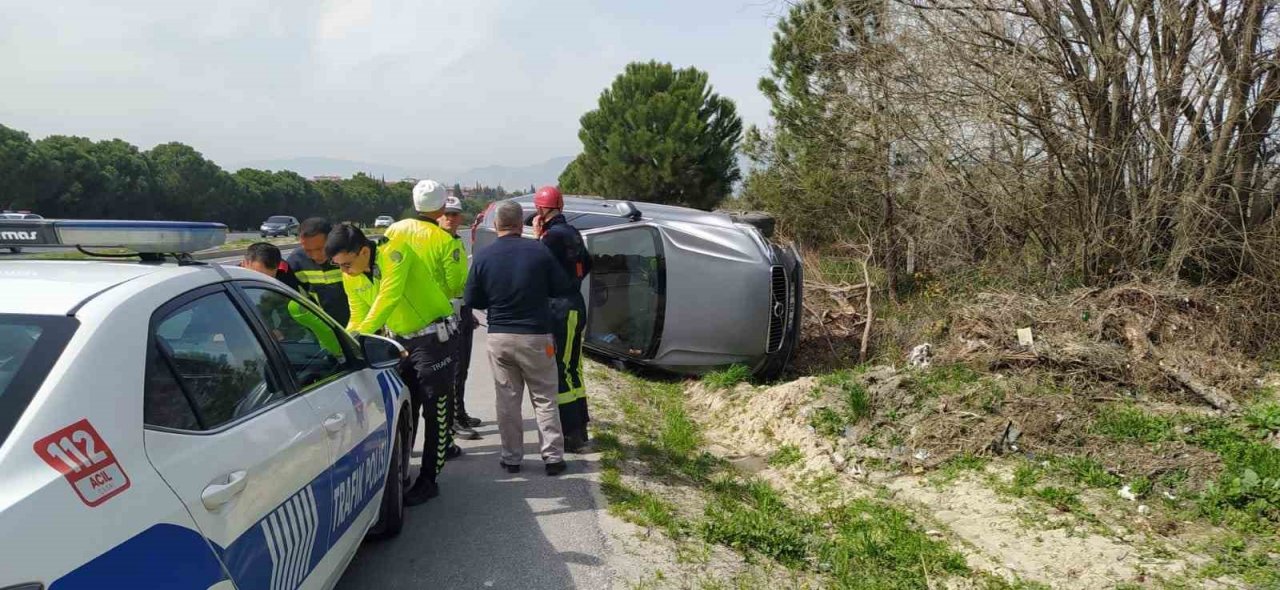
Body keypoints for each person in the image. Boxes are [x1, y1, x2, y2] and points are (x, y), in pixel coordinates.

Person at [326, 223, 455, 505]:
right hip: (399, 343)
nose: (344, 271)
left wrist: (360, 335)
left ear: (363, 251)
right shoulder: (350, 274)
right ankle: (402, 471)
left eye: (347, 264)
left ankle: (430, 478)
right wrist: (343, 343)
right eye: (339, 267)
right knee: (404, 408)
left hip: (432, 337)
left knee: (436, 408)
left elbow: (388, 297)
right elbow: (358, 314)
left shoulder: (394, 252)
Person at [465, 201, 572, 476]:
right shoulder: (540, 252)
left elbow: (472, 299)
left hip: (499, 335)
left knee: (507, 399)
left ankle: (511, 458)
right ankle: (552, 458)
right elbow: (562, 288)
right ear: (520, 224)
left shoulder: (484, 257)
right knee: (545, 397)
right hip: (536, 336)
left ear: (498, 224)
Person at [383, 180, 474, 445]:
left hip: (397, 326)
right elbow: (457, 285)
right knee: (437, 402)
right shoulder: (445, 239)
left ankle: (404, 459)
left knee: (406, 400)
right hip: (435, 328)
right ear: (442, 206)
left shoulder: (392, 230)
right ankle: (441, 450)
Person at [532, 185, 593, 452]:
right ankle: (581, 427)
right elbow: (587, 264)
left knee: (561, 369)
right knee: (573, 368)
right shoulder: (572, 232)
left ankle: (571, 434)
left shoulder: (551, 236)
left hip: (561, 308)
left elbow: (536, 265)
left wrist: (537, 236)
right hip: (575, 303)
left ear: (541, 210)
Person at [240, 242, 341, 356]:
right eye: (258, 275)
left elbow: (291, 309)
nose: (263, 280)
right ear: (246, 263)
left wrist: (281, 331)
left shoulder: (284, 274)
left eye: (270, 277)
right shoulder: (232, 278)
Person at [439, 195, 482, 438]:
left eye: (455, 214)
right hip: (445, 312)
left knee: (463, 366)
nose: (451, 218)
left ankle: (460, 411)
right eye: (446, 214)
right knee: (453, 368)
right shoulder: (437, 242)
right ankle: (452, 419)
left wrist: (469, 310)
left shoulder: (456, 241)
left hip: (461, 309)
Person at [287, 218, 350, 327]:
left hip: (360, 325)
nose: (315, 256)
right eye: (308, 250)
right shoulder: (296, 263)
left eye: (320, 249)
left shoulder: (348, 256)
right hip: (324, 329)